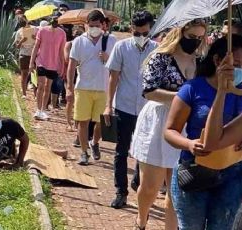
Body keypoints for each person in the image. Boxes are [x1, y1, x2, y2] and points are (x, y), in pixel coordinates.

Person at [131, 19, 208, 230]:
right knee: (150, 187)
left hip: (186, 126)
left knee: (177, 191)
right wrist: (182, 97)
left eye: (200, 37)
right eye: (192, 37)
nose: (196, 41)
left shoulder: (202, 61)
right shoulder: (161, 57)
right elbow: (149, 90)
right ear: (180, 32)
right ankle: (141, 219)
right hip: (158, 122)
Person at [164, 35, 242, 230]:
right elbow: (169, 131)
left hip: (232, 174)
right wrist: (189, 144)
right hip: (195, 171)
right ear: (217, 60)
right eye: (238, 64)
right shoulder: (193, 89)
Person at [104, 10, 157, 209]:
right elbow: (113, 77)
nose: (141, 37)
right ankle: (121, 192)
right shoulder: (121, 47)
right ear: (131, 29)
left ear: (150, 30)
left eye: (145, 33)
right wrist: (108, 105)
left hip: (146, 109)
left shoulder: (157, 50)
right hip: (124, 106)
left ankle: (137, 180)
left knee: (143, 151)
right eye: (137, 33)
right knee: (121, 151)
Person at [66, 10, 117, 165]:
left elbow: (117, 65)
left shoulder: (111, 40)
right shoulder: (79, 41)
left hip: (103, 88)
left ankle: (94, 142)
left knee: (100, 122)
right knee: (83, 121)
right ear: (86, 25)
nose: (94, 28)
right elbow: (71, 65)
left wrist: (107, 58)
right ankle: (83, 152)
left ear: (103, 25)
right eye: (91, 25)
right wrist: (69, 87)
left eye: (97, 25)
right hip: (83, 87)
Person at [29, 14, 66, 121]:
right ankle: (38, 109)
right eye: (54, 20)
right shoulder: (42, 31)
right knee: (40, 85)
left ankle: (43, 110)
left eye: (57, 20)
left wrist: (62, 66)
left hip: (54, 64)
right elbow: (36, 46)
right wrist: (32, 62)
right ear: (50, 21)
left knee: (47, 87)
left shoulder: (62, 33)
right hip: (41, 62)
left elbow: (61, 51)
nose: (55, 22)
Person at [64, 25, 84, 132]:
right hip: (70, 74)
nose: (78, 36)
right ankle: (68, 122)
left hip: (81, 75)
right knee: (70, 99)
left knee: (79, 101)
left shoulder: (84, 45)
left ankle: (77, 123)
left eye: (80, 34)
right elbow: (67, 59)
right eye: (76, 34)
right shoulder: (69, 44)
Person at [15, 15, 37, 99]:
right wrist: (21, 41)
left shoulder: (35, 29)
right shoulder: (19, 31)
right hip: (23, 54)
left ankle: (35, 94)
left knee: (34, 74)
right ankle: (24, 93)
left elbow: (40, 41)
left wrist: (35, 38)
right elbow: (16, 46)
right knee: (24, 74)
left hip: (34, 54)